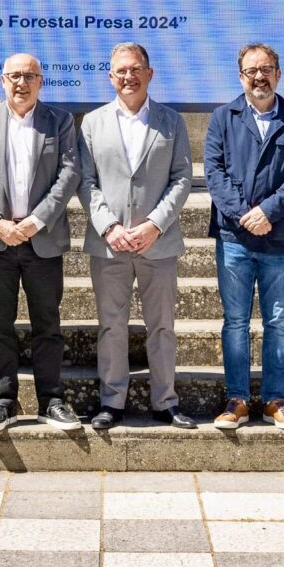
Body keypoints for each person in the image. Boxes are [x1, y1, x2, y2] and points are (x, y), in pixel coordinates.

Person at [0, 53, 82, 432]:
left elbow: (69, 174)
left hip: (40, 240)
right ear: (2, 81)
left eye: (29, 76)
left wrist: (34, 221)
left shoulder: (59, 122)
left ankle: (52, 401)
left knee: (48, 324)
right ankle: (3, 401)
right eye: (14, 76)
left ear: (41, 81)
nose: (21, 83)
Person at [79, 43, 195, 430]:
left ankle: (165, 401)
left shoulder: (171, 121)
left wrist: (154, 225)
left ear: (150, 73)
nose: (128, 77)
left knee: (161, 325)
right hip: (109, 245)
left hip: (157, 242)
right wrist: (109, 227)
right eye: (120, 71)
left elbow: (182, 178)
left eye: (135, 69)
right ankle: (112, 402)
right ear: (110, 77)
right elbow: (87, 182)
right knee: (111, 324)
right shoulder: (92, 123)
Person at [204, 43, 284, 430]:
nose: (259, 76)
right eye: (251, 70)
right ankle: (236, 399)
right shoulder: (223, 118)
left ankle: (275, 400)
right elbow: (214, 173)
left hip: (279, 238)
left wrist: (268, 212)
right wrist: (244, 215)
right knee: (235, 322)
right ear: (241, 77)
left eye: (266, 69)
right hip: (234, 239)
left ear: (279, 74)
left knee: (278, 321)